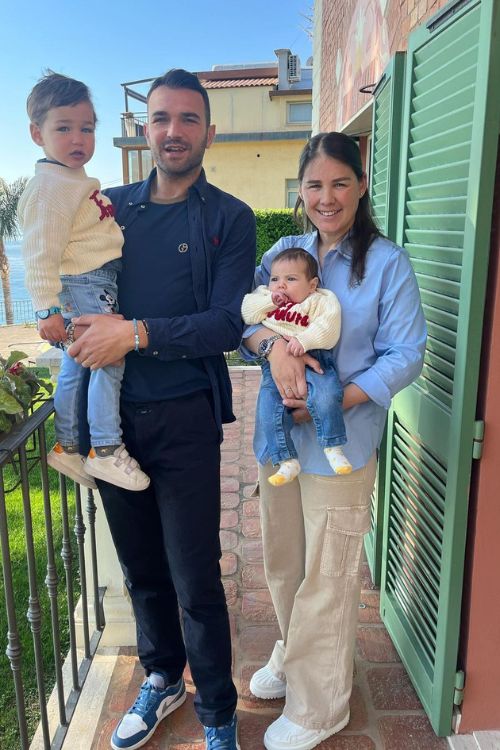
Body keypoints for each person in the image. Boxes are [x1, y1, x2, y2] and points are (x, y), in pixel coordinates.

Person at [67, 69, 256, 750]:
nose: (172, 132)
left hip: (185, 420)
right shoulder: (106, 207)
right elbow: (66, 275)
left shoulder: (229, 218)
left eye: (187, 119)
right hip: (110, 426)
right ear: (145, 129)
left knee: (195, 575)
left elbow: (226, 326)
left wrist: (135, 332)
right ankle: (161, 677)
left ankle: (218, 715)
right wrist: (65, 320)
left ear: (209, 129)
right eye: (160, 119)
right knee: (141, 567)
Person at [242, 132, 426, 750]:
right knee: (284, 560)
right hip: (278, 440)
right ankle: (294, 652)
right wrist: (273, 352)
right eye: (314, 185)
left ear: (361, 185)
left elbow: (407, 354)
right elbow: (246, 326)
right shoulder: (285, 252)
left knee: (329, 571)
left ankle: (321, 707)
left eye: (340, 182)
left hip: (342, 443)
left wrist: (334, 398)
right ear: (300, 191)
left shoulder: (386, 264)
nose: (326, 197)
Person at [18, 71, 149, 492]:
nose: (78, 139)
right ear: (37, 133)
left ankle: (69, 446)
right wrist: (46, 310)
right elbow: (40, 253)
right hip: (84, 284)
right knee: (110, 358)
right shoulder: (51, 187)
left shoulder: (68, 181)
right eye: (64, 128)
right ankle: (106, 450)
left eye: (87, 128)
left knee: (78, 364)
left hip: (89, 282)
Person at [241, 247, 352, 485]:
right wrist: (269, 300)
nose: (280, 285)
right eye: (275, 279)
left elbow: (329, 326)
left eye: (291, 279)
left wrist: (304, 341)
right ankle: (286, 459)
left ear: (311, 285)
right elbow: (247, 314)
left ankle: (333, 446)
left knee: (327, 396)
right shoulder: (265, 296)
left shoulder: (320, 300)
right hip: (274, 368)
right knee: (268, 411)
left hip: (316, 357)